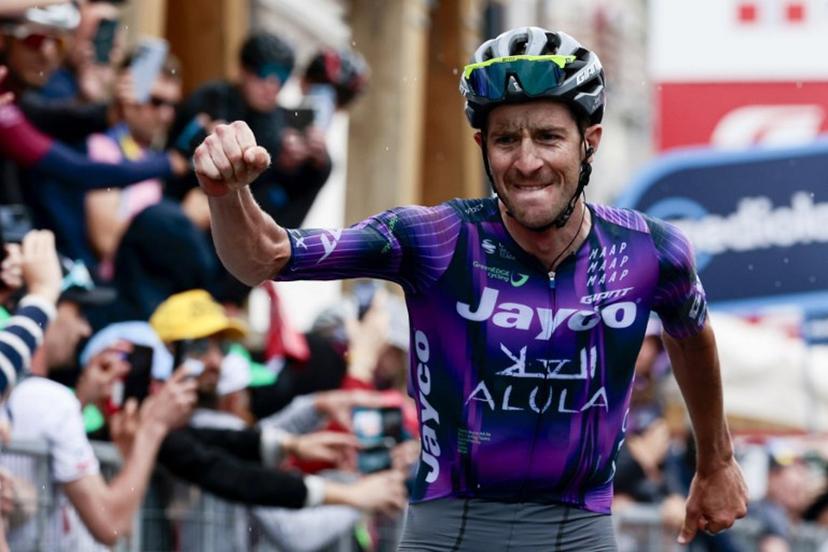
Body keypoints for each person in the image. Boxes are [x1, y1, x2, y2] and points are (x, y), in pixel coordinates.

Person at [193, 26, 748, 551]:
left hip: (579, 530)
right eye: (507, 139)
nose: (527, 161)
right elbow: (264, 256)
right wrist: (226, 194)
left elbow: (691, 334)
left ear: (589, 142)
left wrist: (716, 461)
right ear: (483, 144)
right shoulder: (434, 237)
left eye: (549, 137)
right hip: (449, 528)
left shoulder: (652, 251)